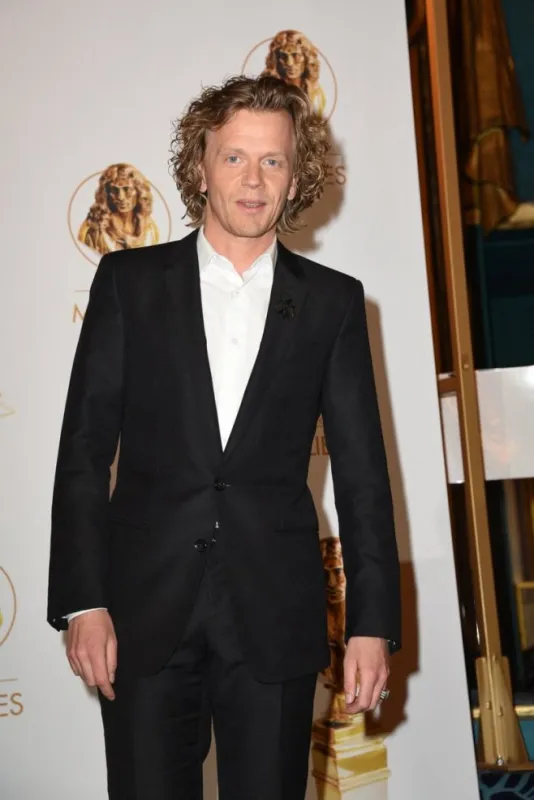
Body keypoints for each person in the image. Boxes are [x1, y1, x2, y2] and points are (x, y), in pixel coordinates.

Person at [47, 74, 401, 800]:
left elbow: (364, 474)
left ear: (296, 177)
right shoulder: (128, 283)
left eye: (273, 161)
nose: (253, 179)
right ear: (201, 167)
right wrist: (83, 602)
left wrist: (372, 624)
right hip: (142, 612)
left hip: (274, 615)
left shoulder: (333, 302)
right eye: (234, 157)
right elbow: (83, 451)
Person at [78, 163, 159, 255]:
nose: (120, 197)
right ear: (107, 193)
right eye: (115, 190)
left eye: (127, 189)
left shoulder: (150, 229)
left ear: (139, 192)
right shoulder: (97, 231)